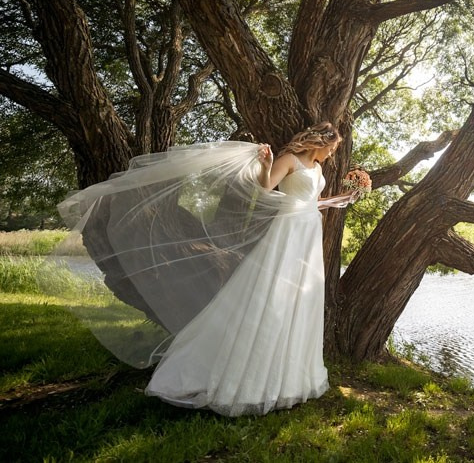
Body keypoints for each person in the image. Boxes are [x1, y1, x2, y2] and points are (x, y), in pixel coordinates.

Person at [56, 123, 358, 417]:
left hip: (307, 233)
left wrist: (341, 200)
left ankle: (291, 378)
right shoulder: (289, 160)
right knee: (269, 298)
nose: (332, 153)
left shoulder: (318, 170)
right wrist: (266, 165)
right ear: (321, 142)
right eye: (332, 148)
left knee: (298, 300)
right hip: (288, 232)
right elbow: (266, 187)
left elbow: (312, 202)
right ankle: (249, 378)